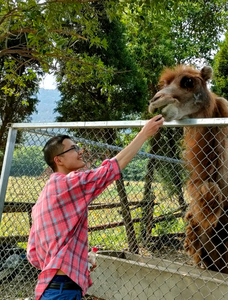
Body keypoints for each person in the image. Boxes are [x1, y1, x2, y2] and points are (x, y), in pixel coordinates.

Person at [27, 115, 164, 300]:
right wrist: (143, 134)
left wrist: (77, 261)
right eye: (73, 148)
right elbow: (110, 169)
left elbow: (33, 255)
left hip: (51, 288)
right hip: (63, 292)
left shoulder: (45, 195)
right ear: (58, 160)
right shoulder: (69, 183)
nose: (80, 151)